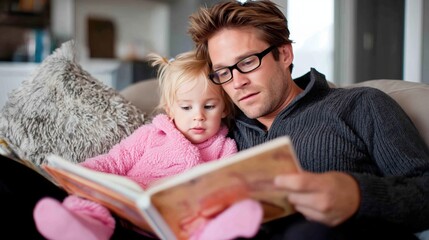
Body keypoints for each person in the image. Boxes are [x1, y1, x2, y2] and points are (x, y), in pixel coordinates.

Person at [188, 1, 429, 239]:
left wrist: (358, 195)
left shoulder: (360, 105)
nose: (237, 82)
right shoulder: (220, 129)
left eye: (248, 62)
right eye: (223, 72)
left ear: (284, 54)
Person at [32, 50, 263, 240]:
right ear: (170, 109)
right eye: (186, 107)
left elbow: (226, 189)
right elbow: (114, 161)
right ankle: (82, 228)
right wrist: (81, 174)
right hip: (127, 212)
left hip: (177, 225)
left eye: (209, 107)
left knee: (208, 219)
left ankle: (223, 233)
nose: (198, 116)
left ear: (224, 108)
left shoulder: (225, 147)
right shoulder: (150, 135)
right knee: (91, 203)